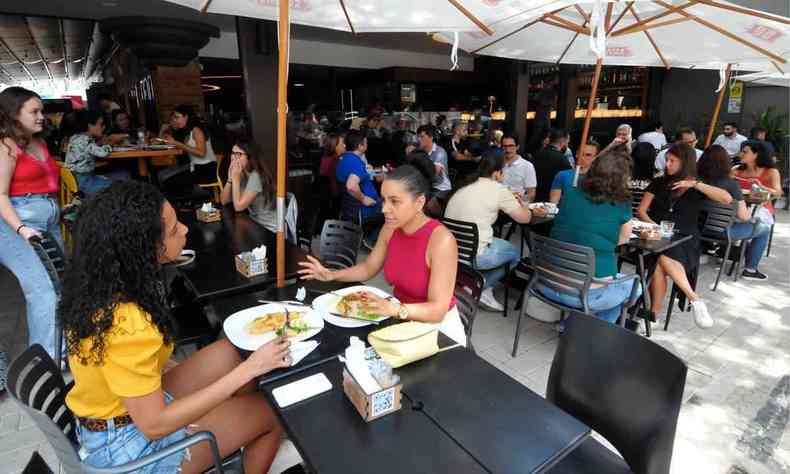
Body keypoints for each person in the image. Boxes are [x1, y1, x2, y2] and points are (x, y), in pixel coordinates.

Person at [59, 181, 288, 473]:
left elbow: (127, 365)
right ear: (143, 250)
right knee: (271, 411)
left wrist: (221, 379)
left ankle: (238, 426)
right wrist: (250, 369)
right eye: (172, 230)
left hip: (117, 416)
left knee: (232, 350)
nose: (184, 229)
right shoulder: (127, 324)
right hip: (127, 449)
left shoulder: (100, 287)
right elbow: (154, 426)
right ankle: (248, 426)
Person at [299, 165, 467, 346]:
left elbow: (437, 310)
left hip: (440, 334)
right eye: (384, 200)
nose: (384, 209)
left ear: (419, 202)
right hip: (402, 323)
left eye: (394, 201)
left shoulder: (441, 240)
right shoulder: (390, 228)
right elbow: (369, 267)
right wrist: (332, 274)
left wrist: (394, 309)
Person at [637, 144, 733, 328]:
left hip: (686, 239)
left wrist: (695, 184)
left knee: (660, 260)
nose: (667, 164)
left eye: (673, 161)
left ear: (685, 162)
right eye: (667, 160)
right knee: (659, 257)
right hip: (658, 236)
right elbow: (642, 210)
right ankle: (694, 300)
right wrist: (655, 227)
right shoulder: (659, 183)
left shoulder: (697, 185)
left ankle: (654, 315)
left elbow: (726, 199)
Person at [538, 153, 641, 324]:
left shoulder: (570, 194)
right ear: (622, 178)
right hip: (585, 294)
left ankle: (572, 325)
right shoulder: (622, 205)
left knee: (612, 283)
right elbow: (622, 240)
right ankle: (590, 333)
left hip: (546, 282)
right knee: (635, 288)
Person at [0, 86, 61, 357]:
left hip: (47, 219)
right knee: (43, 290)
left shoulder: (39, 143)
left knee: (60, 284)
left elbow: (45, 184)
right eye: (34, 111)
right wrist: (22, 229)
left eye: (41, 111)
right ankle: (47, 360)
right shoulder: (5, 146)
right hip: (17, 224)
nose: (41, 117)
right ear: (14, 114)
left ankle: (60, 350)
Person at [445, 150, 546, 311]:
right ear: (499, 173)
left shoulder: (464, 186)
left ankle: (472, 283)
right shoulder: (499, 190)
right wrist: (524, 205)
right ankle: (480, 286)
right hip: (474, 255)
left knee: (499, 244)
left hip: (451, 251)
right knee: (514, 254)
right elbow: (525, 218)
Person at [698, 145, 772, 280]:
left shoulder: (695, 180)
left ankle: (717, 250)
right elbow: (743, 217)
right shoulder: (731, 184)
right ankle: (750, 269)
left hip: (697, 228)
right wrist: (752, 214)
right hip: (723, 232)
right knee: (764, 228)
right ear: (726, 162)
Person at [336, 130, 383, 247]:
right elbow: (351, 186)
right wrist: (363, 199)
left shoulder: (343, 159)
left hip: (349, 208)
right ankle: (370, 238)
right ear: (360, 146)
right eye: (365, 142)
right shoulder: (356, 163)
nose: (367, 145)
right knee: (391, 210)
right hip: (365, 209)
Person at [220, 138, 277, 232]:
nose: (234, 158)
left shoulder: (256, 176)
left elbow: (238, 207)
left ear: (250, 157)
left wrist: (235, 179)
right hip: (255, 223)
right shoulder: (242, 173)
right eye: (233, 153)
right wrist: (230, 180)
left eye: (239, 154)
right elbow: (224, 201)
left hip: (269, 229)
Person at [65, 110, 128, 194]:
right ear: (90, 125)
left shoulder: (75, 138)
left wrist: (101, 142)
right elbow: (103, 153)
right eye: (101, 124)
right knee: (119, 184)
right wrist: (112, 142)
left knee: (122, 175)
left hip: (77, 180)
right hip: (85, 183)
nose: (104, 127)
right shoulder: (85, 140)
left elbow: (88, 149)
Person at [732, 140, 782, 243]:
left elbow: (778, 193)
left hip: (761, 207)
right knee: (761, 230)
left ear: (756, 155)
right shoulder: (736, 170)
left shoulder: (771, 171)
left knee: (760, 224)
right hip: (737, 206)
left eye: (745, 152)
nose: (740, 154)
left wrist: (762, 186)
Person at [161, 105, 218, 185]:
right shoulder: (188, 131)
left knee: (169, 181)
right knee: (164, 177)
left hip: (207, 169)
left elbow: (202, 153)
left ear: (186, 117)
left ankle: (200, 196)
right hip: (196, 168)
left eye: (177, 117)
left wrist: (177, 143)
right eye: (174, 118)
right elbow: (186, 149)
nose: (175, 120)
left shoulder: (196, 130)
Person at [532, 128, 572, 202]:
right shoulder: (562, 159)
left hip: (536, 199)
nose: (567, 145)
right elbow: (569, 180)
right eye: (567, 142)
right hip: (553, 200)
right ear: (562, 142)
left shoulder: (536, 154)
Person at [417, 125, 452, 198]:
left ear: (431, 137)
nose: (418, 139)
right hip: (427, 186)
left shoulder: (439, 152)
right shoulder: (420, 151)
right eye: (418, 137)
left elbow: (433, 174)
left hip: (441, 188)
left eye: (422, 137)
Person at [501, 135, 537, 202]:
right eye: (505, 146)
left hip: (517, 207)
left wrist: (518, 200)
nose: (507, 150)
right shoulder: (497, 164)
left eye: (511, 146)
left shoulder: (527, 166)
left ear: (517, 147)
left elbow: (531, 194)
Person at [320, 132, 345, 199]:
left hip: (327, 192)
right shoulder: (336, 160)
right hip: (336, 193)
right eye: (342, 144)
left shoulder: (326, 157)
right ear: (334, 146)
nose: (345, 145)